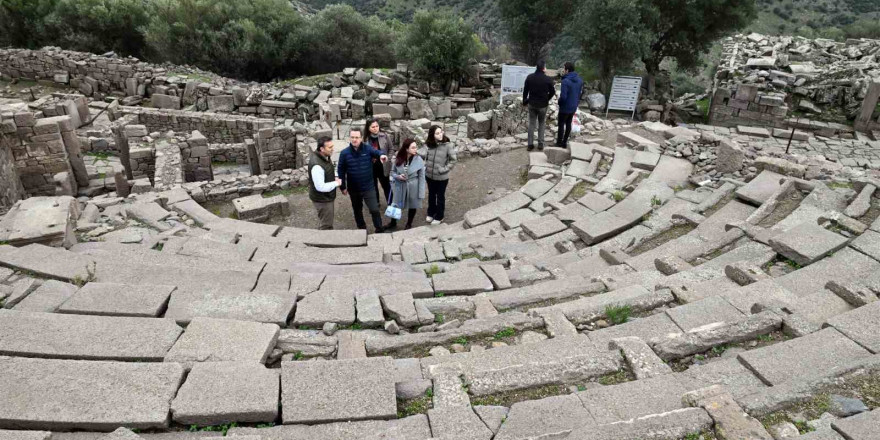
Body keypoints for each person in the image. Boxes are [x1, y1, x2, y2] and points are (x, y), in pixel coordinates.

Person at [337, 128, 388, 233]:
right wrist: (342, 187)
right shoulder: (344, 153)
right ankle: (362, 230)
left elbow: (377, 152)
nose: (354, 139)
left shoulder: (367, 149)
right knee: (357, 210)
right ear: (349, 138)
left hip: (368, 187)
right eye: (352, 137)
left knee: (374, 209)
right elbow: (340, 170)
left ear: (361, 138)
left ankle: (379, 228)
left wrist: (381, 155)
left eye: (357, 137)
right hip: (353, 189)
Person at [419, 125, 456, 225]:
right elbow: (423, 155)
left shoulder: (448, 145)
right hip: (429, 176)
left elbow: (453, 160)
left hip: (442, 177)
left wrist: (443, 169)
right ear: (432, 135)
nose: (440, 135)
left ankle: (440, 216)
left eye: (441, 132)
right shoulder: (428, 144)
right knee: (431, 195)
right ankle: (431, 212)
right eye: (437, 133)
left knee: (440, 197)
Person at [388, 138, 426, 230]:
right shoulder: (398, 157)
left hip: (413, 186)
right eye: (413, 148)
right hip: (399, 185)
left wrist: (421, 193)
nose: (415, 150)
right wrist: (398, 176)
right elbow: (392, 172)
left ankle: (409, 223)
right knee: (395, 204)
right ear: (406, 149)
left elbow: (422, 177)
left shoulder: (419, 159)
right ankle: (393, 223)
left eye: (416, 147)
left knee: (413, 205)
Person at [308, 137, 342, 230]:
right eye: (330, 147)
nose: (332, 149)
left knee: (325, 220)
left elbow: (328, 167)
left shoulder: (324, 156)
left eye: (332, 146)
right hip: (323, 199)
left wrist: (335, 175)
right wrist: (337, 183)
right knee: (326, 225)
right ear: (322, 149)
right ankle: (324, 241)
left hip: (326, 197)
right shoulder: (317, 166)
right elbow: (320, 187)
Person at [522, 60, 556, 151]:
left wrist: (524, 101)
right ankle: (540, 144)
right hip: (543, 105)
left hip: (532, 104)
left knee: (532, 123)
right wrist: (547, 99)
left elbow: (525, 91)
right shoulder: (548, 79)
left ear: (536, 67)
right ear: (544, 68)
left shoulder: (530, 77)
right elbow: (553, 92)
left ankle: (530, 144)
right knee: (541, 123)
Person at [364, 119, 394, 208]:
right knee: (373, 187)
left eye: (377, 126)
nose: (375, 128)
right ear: (368, 128)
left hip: (383, 165)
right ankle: (376, 203)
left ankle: (390, 203)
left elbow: (391, 149)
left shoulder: (385, 136)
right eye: (373, 127)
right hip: (370, 167)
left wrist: (388, 159)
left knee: (386, 186)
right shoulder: (365, 139)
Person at [556, 61, 584, 149]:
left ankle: (559, 143)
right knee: (568, 123)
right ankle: (564, 142)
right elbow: (580, 93)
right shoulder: (580, 80)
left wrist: (559, 102)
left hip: (565, 106)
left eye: (564, 68)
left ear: (567, 70)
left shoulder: (565, 81)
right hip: (573, 106)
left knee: (561, 124)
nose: (563, 70)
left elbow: (563, 96)